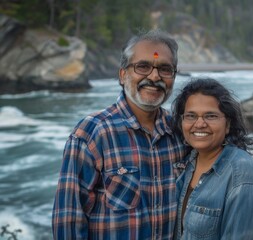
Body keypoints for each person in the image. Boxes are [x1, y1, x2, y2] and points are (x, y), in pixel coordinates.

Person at [52, 29, 189, 239]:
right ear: (123, 74)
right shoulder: (91, 133)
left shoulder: (181, 131)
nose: (154, 76)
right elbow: (68, 220)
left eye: (165, 69)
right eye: (143, 66)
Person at [171, 78, 253, 240]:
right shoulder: (187, 164)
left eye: (210, 116)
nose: (200, 124)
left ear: (228, 124)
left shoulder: (242, 174)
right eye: (191, 116)